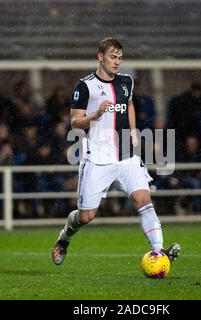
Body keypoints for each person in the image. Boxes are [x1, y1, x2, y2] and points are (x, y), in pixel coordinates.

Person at [51, 38, 181, 265]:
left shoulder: (126, 82)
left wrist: (132, 131)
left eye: (120, 58)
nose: (117, 62)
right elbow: (74, 123)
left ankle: (160, 252)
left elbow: (129, 104)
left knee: (143, 199)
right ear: (100, 56)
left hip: (127, 156)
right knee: (86, 216)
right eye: (113, 57)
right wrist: (94, 115)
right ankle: (64, 238)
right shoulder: (85, 86)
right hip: (97, 159)